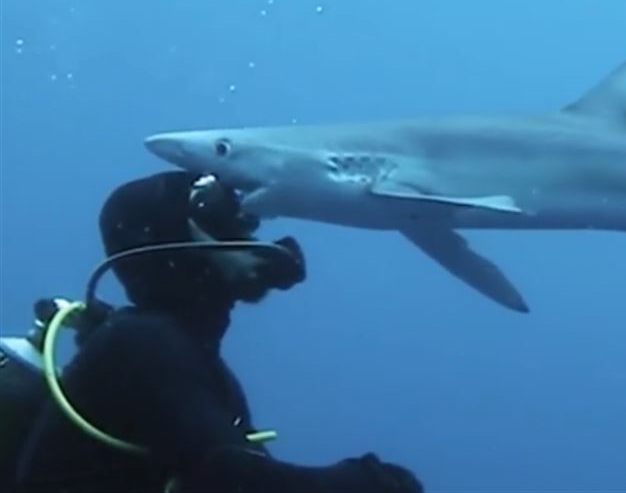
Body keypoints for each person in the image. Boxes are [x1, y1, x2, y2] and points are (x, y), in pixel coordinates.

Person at [11, 170, 424, 493]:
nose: (245, 224)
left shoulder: (185, 357)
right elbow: (233, 479)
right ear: (167, 240)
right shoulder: (142, 344)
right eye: (217, 213)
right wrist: (366, 482)